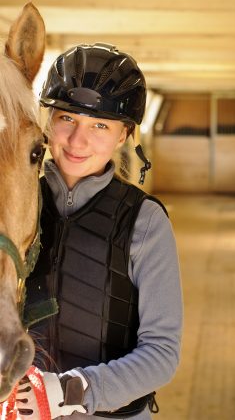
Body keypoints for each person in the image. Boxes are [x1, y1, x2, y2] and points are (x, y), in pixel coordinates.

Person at [18, 43, 183, 420]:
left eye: (100, 126)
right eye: (67, 119)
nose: (78, 141)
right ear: (49, 121)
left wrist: (68, 391)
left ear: (123, 135)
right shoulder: (16, 206)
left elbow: (162, 353)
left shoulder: (145, 221)